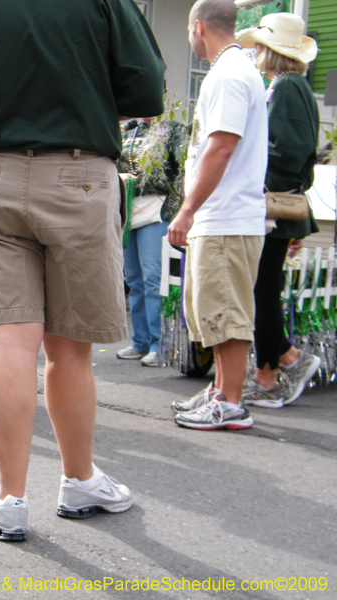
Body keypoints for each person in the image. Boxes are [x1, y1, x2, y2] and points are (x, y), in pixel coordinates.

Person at [0, 0, 165, 541]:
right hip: (82, 175)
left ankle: (8, 497)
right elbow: (145, 91)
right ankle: (80, 479)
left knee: (11, 342)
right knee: (69, 349)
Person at [168, 0, 268, 430]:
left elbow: (222, 146)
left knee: (226, 312)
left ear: (198, 26)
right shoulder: (236, 70)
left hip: (226, 215)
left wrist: (188, 209)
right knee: (216, 308)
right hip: (227, 214)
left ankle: (230, 400)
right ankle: (222, 393)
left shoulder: (228, 75)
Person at [236, 13, 322, 408]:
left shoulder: (287, 88)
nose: (254, 51)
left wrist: (252, 167)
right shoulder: (291, 86)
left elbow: (286, 151)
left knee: (262, 292)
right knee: (264, 291)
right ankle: (271, 371)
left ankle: (281, 365)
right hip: (278, 206)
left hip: (270, 206)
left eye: (259, 46)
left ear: (271, 51)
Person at [116, 117, 186, 367]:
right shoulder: (128, 130)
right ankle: (140, 341)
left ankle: (160, 344)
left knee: (153, 277)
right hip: (130, 206)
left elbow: (183, 161)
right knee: (133, 279)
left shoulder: (173, 128)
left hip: (157, 208)